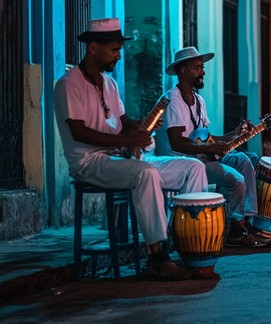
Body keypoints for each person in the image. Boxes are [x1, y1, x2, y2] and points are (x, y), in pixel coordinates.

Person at [54, 18, 210, 281]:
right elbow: (78, 132)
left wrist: (143, 128)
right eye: (114, 50)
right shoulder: (69, 84)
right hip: (90, 162)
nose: (118, 55)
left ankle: (186, 243)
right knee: (145, 173)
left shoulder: (110, 85)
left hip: (123, 157)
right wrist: (126, 141)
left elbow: (124, 125)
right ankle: (156, 256)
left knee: (192, 167)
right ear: (93, 48)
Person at [154, 46, 271, 248]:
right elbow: (177, 142)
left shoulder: (198, 100)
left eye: (202, 67)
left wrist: (235, 134)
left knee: (243, 160)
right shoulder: (173, 99)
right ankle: (234, 230)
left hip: (202, 157)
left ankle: (243, 221)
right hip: (184, 163)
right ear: (182, 70)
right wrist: (210, 149)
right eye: (197, 68)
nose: (203, 72)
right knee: (235, 179)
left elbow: (207, 139)